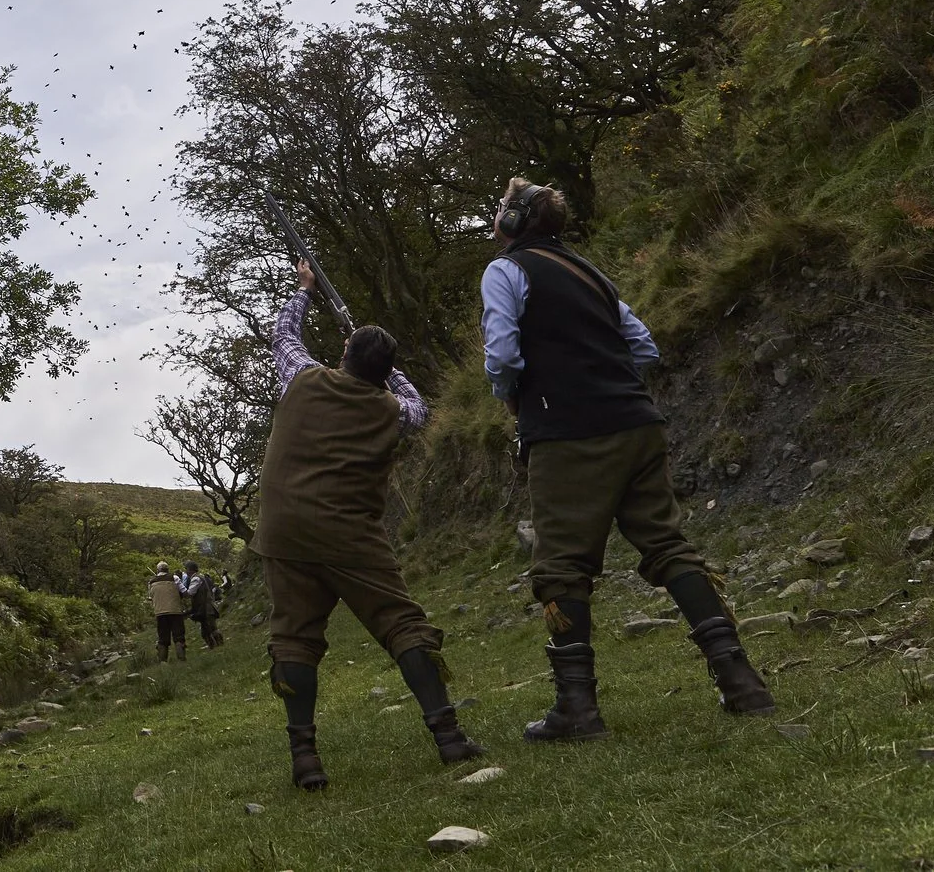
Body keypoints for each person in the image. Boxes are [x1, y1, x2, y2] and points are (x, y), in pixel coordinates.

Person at [485, 178, 774, 740]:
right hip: (637, 423)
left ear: (516, 220)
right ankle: (742, 683)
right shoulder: (593, 274)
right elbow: (643, 345)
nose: (496, 219)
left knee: (562, 567)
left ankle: (578, 710)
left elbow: (502, 355)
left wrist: (515, 396)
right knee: (668, 546)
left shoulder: (506, 271)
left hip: (567, 433)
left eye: (501, 210)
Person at [252, 261, 481, 790]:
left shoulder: (304, 379)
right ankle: (447, 737)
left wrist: (307, 290)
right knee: (403, 625)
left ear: (342, 357)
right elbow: (418, 405)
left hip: (282, 531)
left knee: (293, 638)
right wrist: (390, 372)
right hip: (350, 534)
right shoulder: (392, 410)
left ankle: (305, 760)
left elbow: (283, 334)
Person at [147, 561, 187, 660]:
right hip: (175, 611)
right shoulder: (175, 578)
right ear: (168, 569)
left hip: (160, 612)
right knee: (178, 635)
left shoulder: (151, 582)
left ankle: (163, 660)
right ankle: (181, 658)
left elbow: (151, 597)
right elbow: (184, 592)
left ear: (158, 570)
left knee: (163, 636)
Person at [182, 563, 223, 649]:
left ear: (190, 570)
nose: (186, 571)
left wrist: (180, 589)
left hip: (206, 607)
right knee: (208, 629)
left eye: (186, 569)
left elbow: (190, 593)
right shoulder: (199, 577)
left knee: (210, 628)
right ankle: (215, 647)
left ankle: (218, 646)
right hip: (205, 606)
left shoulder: (196, 579)